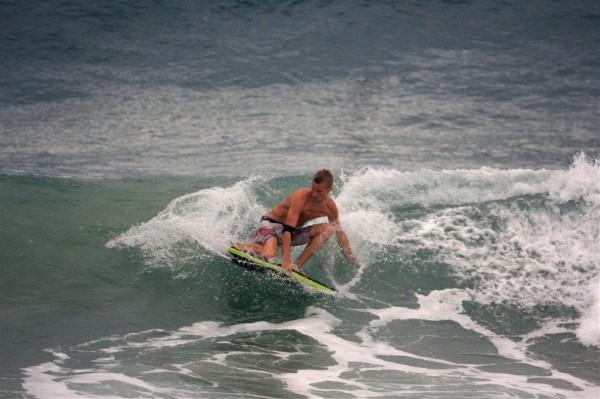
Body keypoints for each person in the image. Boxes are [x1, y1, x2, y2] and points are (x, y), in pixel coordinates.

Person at [235, 169, 360, 272]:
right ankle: (236, 245)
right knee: (270, 255)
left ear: (329, 190)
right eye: (313, 189)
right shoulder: (301, 197)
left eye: (319, 191)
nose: (314, 194)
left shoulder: (330, 208)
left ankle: (296, 267)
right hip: (270, 226)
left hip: (291, 232)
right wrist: (285, 260)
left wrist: (351, 258)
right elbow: (288, 229)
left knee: (329, 229)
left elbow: (340, 233)